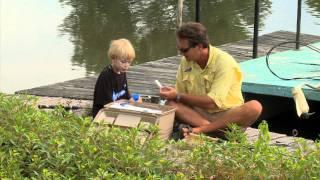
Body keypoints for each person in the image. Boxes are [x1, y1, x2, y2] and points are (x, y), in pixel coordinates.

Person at [159, 22, 262, 138]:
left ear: (199, 46)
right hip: (199, 115)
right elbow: (180, 96)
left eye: (184, 50)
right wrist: (171, 95)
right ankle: (215, 132)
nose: (182, 54)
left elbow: (213, 103)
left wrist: (177, 95)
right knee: (171, 104)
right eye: (180, 50)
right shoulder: (186, 61)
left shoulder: (224, 62)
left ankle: (202, 130)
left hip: (227, 115)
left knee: (255, 106)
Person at [92, 38, 141, 118]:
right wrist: (127, 104)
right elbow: (106, 104)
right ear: (113, 59)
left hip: (119, 109)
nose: (126, 65)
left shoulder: (122, 72)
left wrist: (133, 99)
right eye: (123, 62)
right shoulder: (106, 76)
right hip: (104, 114)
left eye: (129, 62)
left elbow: (125, 93)